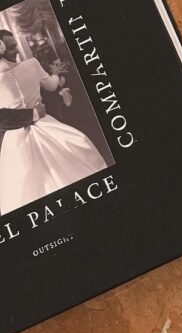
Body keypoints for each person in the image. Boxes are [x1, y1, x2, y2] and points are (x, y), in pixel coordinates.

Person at [0, 29, 107, 215]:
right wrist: (55, 73)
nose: (15, 50)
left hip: (14, 138)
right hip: (44, 124)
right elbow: (51, 85)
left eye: (15, 45)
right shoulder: (32, 64)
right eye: (11, 47)